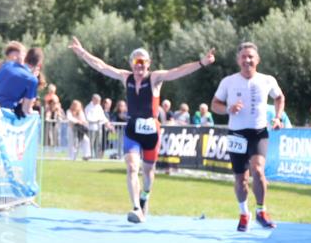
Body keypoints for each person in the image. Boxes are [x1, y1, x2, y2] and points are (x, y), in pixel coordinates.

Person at [69, 38, 215, 223]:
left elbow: (177, 72)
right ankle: (136, 207)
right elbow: (101, 66)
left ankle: (145, 195)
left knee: (148, 172)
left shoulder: (154, 78)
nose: (139, 66)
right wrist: (82, 52)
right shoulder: (125, 77)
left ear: (148, 64)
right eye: (136, 62)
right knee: (131, 167)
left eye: (143, 62)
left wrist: (201, 63)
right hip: (132, 130)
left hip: (151, 132)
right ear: (131, 63)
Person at [211, 42, 285, 232]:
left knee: (258, 170)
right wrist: (228, 108)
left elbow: (279, 97)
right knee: (240, 180)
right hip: (236, 134)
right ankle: (244, 213)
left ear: (257, 60)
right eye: (244, 57)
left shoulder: (267, 80)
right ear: (238, 60)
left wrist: (277, 117)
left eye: (251, 56)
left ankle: (261, 211)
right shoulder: (228, 81)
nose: (247, 60)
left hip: (258, 133)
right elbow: (214, 105)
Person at [0, 47, 44, 118]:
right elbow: (26, 109)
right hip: (4, 115)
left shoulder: (7, 65)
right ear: (39, 65)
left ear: (26, 58)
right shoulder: (32, 80)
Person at [85, 94, 113, 158]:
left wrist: (107, 122)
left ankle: (97, 156)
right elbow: (88, 117)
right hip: (91, 128)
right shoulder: (88, 107)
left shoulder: (99, 107)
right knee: (91, 143)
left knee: (98, 143)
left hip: (99, 127)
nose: (99, 102)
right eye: (98, 100)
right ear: (93, 99)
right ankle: (89, 155)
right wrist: (97, 120)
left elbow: (102, 116)